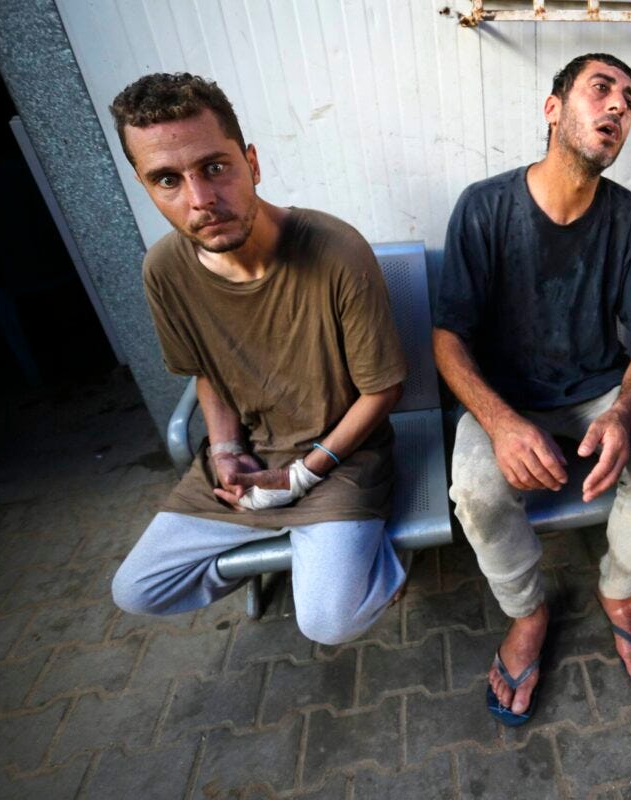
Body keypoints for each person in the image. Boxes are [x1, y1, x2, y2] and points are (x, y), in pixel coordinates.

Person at [433, 53, 631, 725]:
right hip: (505, 398)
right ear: (553, 109)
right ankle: (527, 613)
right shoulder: (484, 207)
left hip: (599, 387)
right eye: (601, 89)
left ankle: (619, 589)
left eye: (629, 102)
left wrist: (625, 413)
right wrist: (499, 422)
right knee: (479, 492)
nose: (617, 108)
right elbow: (448, 338)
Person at [109, 73, 408, 645]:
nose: (200, 200)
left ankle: (362, 560)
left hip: (342, 461)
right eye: (167, 179)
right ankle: (306, 554)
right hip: (248, 461)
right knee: (137, 588)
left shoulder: (335, 250)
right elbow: (207, 373)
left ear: (251, 162)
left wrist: (300, 476)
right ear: (147, 188)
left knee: (327, 623)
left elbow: (383, 390)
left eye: (214, 167)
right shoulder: (165, 271)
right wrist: (225, 450)